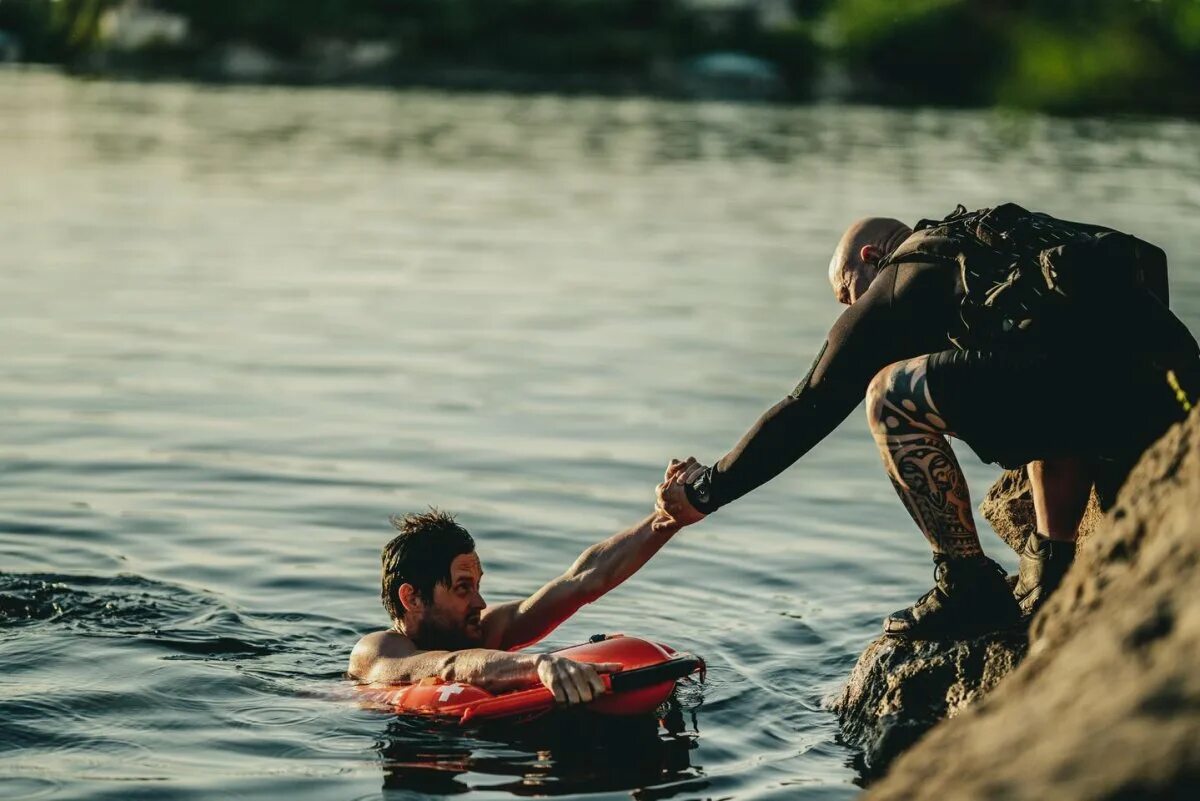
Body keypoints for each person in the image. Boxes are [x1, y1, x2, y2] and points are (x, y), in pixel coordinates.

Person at [657, 205, 1198, 639]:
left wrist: (707, 489)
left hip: (1094, 399)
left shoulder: (899, 278)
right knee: (1030, 373)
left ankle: (966, 585)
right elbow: (1146, 257)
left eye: (847, 295)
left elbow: (809, 406)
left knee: (889, 393)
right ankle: (1051, 566)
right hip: (1153, 397)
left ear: (870, 257)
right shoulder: (999, 240)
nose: (849, 313)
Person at [348, 459, 704, 704]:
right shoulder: (376, 651)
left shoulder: (484, 632)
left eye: (477, 585)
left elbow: (582, 580)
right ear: (411, 597)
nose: (481, 603)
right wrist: (539, 664)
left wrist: (665, 520)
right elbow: (447, 667)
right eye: (462, 588)